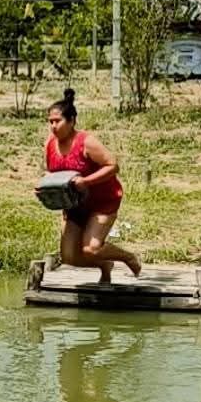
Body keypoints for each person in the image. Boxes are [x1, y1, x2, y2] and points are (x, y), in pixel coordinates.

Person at [44, 88, 141, 280]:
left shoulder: (86, 142)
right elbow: (51, 172)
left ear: (71, 121)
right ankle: (105, 265)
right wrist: (44, 186)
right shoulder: (50, 144)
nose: (53, 126)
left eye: (58, 121)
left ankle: (128, 257)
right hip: (75, 205)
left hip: (102, 201)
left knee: (91, 249)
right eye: (50, 121)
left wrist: (86, 181)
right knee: (69, 256)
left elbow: (113, 166)